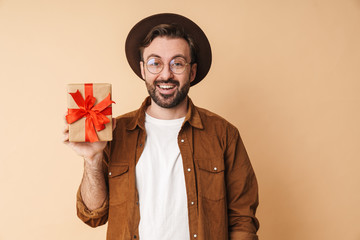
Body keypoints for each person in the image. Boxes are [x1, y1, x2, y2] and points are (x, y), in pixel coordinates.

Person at [64, 13, 259, 240]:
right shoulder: (114, 134)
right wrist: (92, 160)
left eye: (177, 63)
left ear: (192, 72)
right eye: (155, 63)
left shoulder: (224, 134)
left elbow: (242, 221)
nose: (166, 74)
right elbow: (92, 215)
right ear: (143, 70)